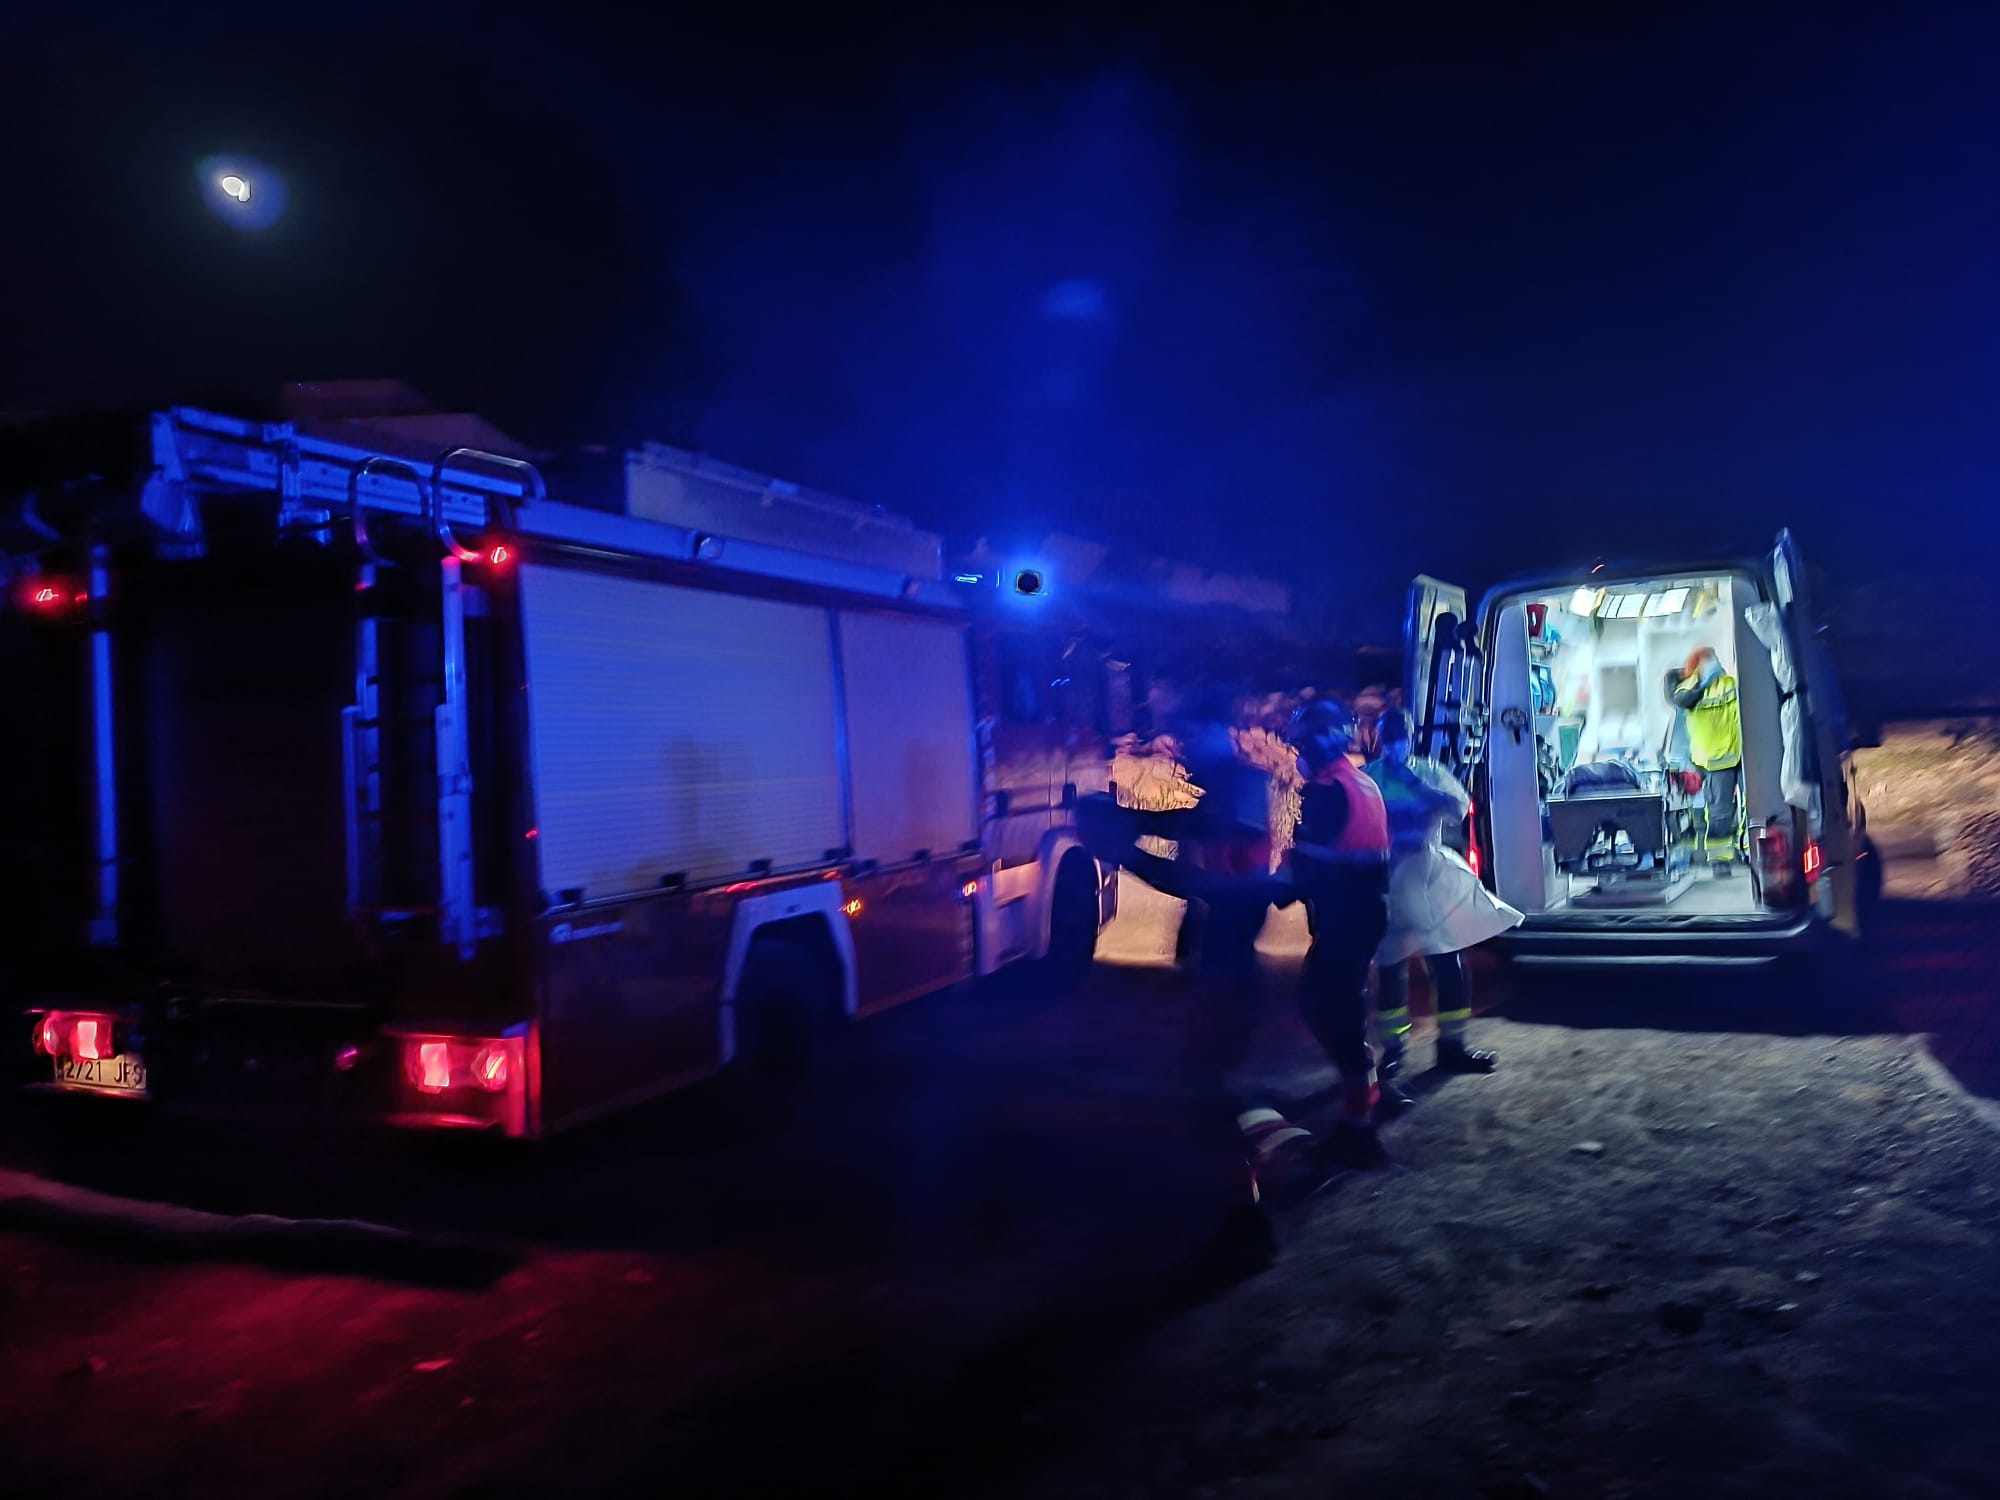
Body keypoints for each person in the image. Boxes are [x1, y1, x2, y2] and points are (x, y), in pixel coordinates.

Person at [1366, 709, 1522, 1083]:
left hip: (1428, 874)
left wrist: (1415, 783)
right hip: (1388, 879)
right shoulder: (1369, 776)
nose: (1393, 743)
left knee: (1447, 961)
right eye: (1388, 735)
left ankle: (1452, 1047)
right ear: (1378, 738)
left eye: (1399, 734)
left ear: (1411, 735)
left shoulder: (1428, 770)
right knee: (1392, 968)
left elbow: (1456, 809)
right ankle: (1393, 1050)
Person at [1285, 698, 1394, 1168]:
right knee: (1339, 1008)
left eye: (1301, 745)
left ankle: (1360, 1131)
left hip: (1346, 917)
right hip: (1366, 913)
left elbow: (1306, 864)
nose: (1297, 755)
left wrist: (1273, 888)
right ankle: (1368, 1096)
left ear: (1319, 742)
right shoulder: (1362, 780)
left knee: (1328, 1011)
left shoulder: (1325, 792)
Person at [1670, 647, 1744, 874]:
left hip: (1740, 754)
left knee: (1751, 807)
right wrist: (1702, 682)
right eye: (1706, 660)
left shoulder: (1729, 682)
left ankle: (1747, 850)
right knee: (1721, 812)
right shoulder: (1688, 688)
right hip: (1715, 760)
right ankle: (1719, 859)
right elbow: (1682, 700)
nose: (1712, 663)